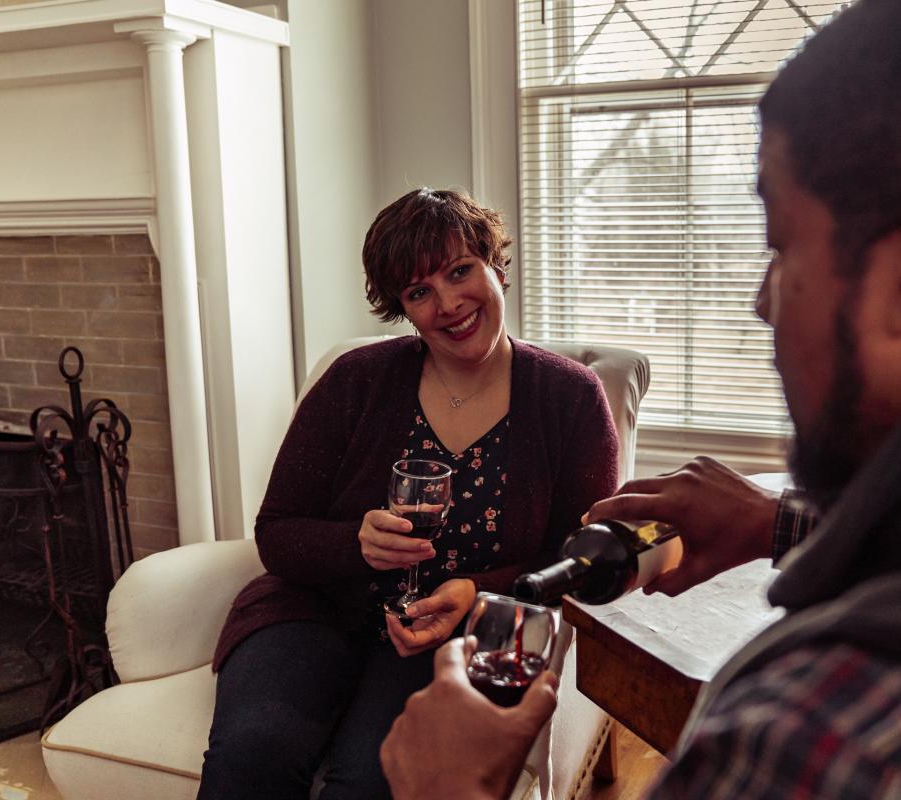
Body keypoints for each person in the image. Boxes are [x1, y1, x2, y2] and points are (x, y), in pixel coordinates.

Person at [380, 2, 901, 798]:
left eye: (783, 248)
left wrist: (446, 789)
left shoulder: (827, 744)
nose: (761, 303)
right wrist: (779, 524)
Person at [196, 188, 619, 799]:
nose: (448, 304)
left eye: (459, 271)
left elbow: (580, 560)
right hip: (315, 613)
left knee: (371, 782)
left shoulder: (570, 398)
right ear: (403, 308)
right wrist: (354, 544)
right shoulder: (356, 381)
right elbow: (278, 529)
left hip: (465, 632)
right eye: (420, 291)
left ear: (496, 267)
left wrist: (478, 591)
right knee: (253, 754)